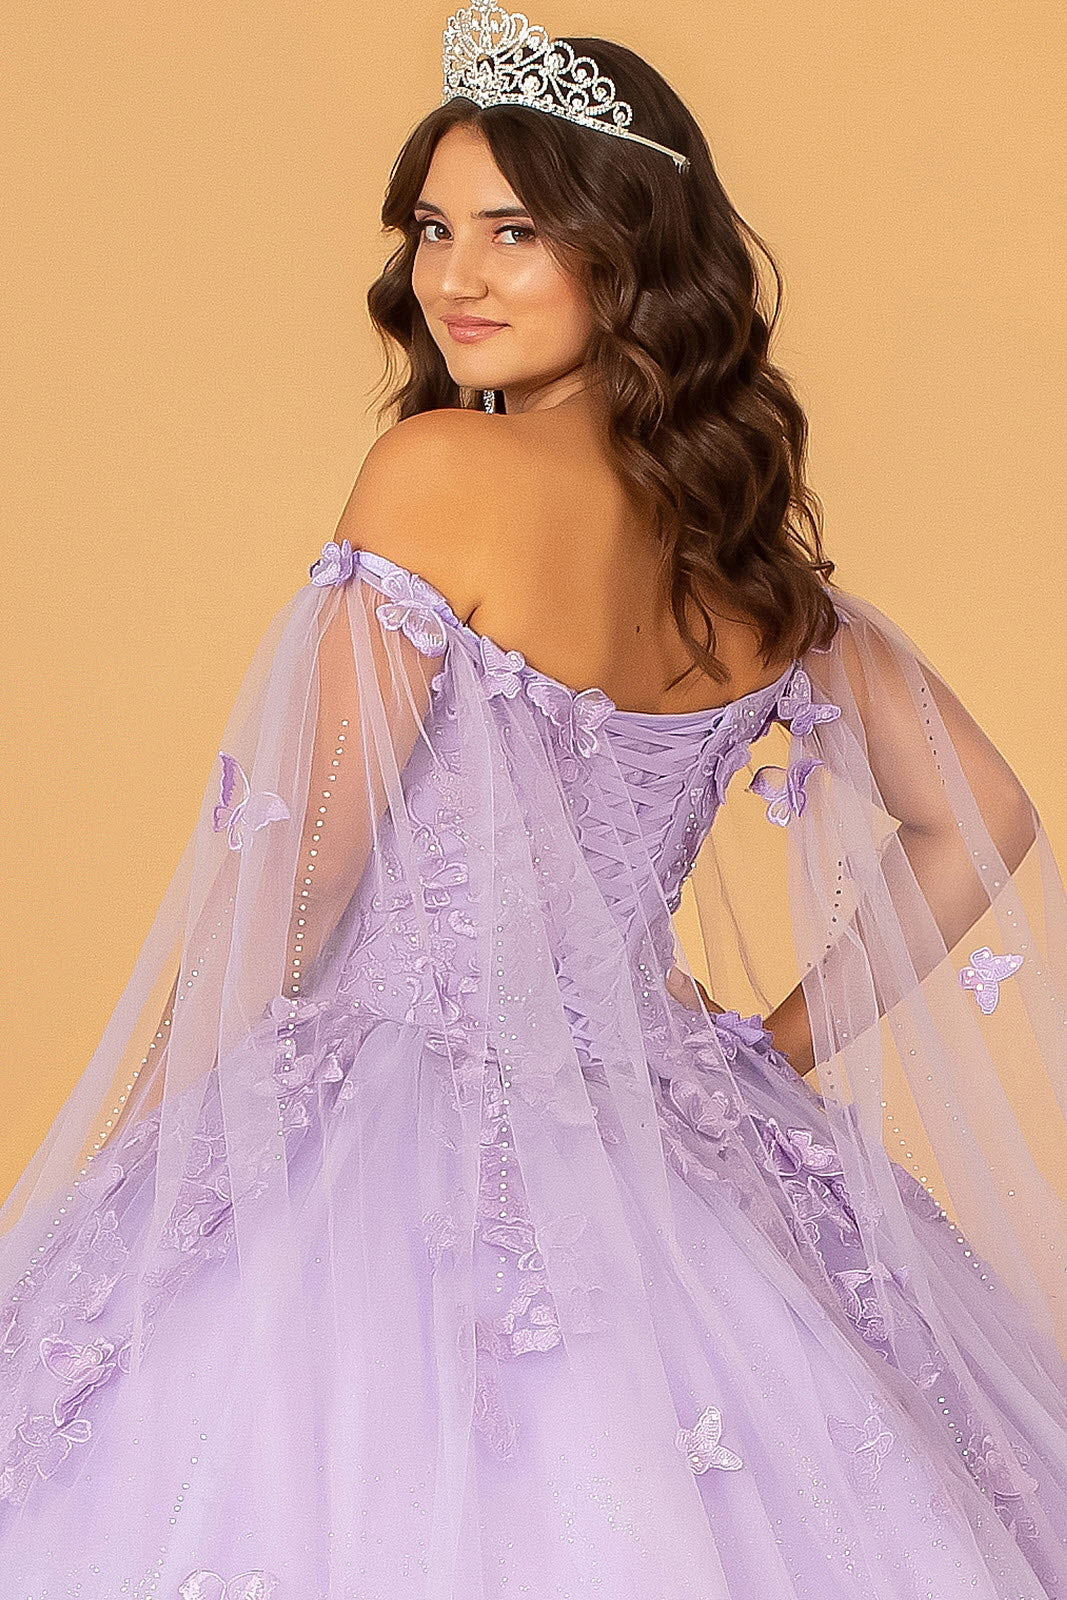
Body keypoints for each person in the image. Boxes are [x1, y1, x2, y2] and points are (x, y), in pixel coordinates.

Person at [2, 12, 1065, 1597]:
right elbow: (984, 811)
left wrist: (140, 1155)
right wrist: (767, 1057)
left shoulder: (440, 474)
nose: (455, 278)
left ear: (624, 251)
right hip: (672, 1159)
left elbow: (293, 890)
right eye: (433, 230)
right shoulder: (746, 563)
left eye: (514, 231)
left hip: (386, 1136)